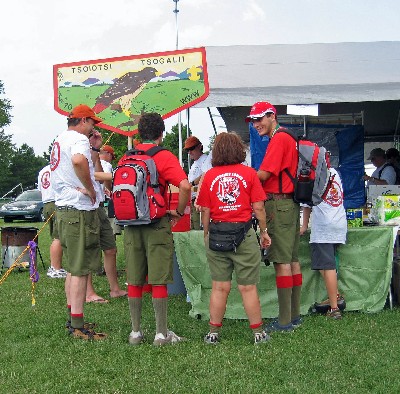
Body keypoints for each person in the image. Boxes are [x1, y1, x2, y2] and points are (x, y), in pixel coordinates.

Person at [196, 132, 271, 345]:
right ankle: (258, 334)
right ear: (239, 150)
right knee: (248, 287)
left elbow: (206, 211)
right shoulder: (249, 174)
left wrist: (206, 235)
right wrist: (264, 232)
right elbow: (258, 208)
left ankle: (213, 334)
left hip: (217, 236)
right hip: (244, 236)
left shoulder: (209, 176)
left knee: (220, 286)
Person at [125, 112, 191, 346]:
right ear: (161, 135)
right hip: (155, 223)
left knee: (134, 278)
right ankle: (161, 334)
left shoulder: (128, 156)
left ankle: (135, 333)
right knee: (158, 278)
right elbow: (184, 185)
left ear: (140, 133)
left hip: (131, 224)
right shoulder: (163, 156)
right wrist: (180, 212)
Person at [50, 104, 106, 341]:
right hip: (79, 209)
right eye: (92, 122)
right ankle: (78, 326)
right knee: (81, 269)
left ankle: (73, 317)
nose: (93, 127)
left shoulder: (60, 138)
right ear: (83, 121)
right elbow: (78, 162)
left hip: (63, 208)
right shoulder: (78, 140)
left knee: (74, 267)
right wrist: (92, 190)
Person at [246, 101, 302, 332]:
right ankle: (294, 316)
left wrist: (241, 177)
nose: (256, 124)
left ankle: (285, 320)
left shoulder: (279, 139)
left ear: (272, 116)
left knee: (282, 262)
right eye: (253, 120)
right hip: (288, 204)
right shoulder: (286, 137)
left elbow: (264, 174)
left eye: (259, 119)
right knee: (292, 260)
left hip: (279, 205)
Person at [300, 166, 347, 320]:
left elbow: (307, 204)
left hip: (324, 226)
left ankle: (334, 308)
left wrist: (304, 225)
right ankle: (336, 295)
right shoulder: (334, 172)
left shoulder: (313, 176)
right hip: (338, 222)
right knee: (322, 264)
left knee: (327, 266)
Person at [37, 164, 67, 279]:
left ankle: (56, 266)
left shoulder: (43, 170)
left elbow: (40, 191)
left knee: (56, 236)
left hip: (46, 204)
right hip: (57, 202)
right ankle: (55, 268)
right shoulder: (59, 167)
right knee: (58, 237)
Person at [184, 136, 208, 230]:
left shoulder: (206, 160)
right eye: (187, 150)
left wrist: (192, 183)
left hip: (200, 200)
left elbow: (206, 174)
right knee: (193, 228)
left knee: (199, 229)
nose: (189, 152)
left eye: (191, 149)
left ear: (199, 147)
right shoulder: (194, 163)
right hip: (193, 199)